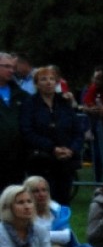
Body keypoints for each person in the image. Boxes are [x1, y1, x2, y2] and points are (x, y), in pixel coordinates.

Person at [19, 66, 84, 205]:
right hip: (41, 160)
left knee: (63, 200)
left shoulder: (64, 103)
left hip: (65, 161)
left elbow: (78, 130)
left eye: (52, 79)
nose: (49, 82)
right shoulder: (30, 104)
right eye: (44, 79)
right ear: (37, 84)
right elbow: (27, 131)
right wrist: (52, 148)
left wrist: (72, 149)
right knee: (43, 201)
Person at [23, 175, 94, 247]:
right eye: (36, 191)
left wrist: (43, 235)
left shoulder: (56, 211)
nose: (41, 194)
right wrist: (54, 237)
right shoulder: (24, 213)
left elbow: (66, 236)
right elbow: (28, 238)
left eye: (44, 190)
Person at [0, 52, 29, 189]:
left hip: (16, 158)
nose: (11, 70)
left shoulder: (21, 95)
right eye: (6, 66)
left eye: (13, 67)